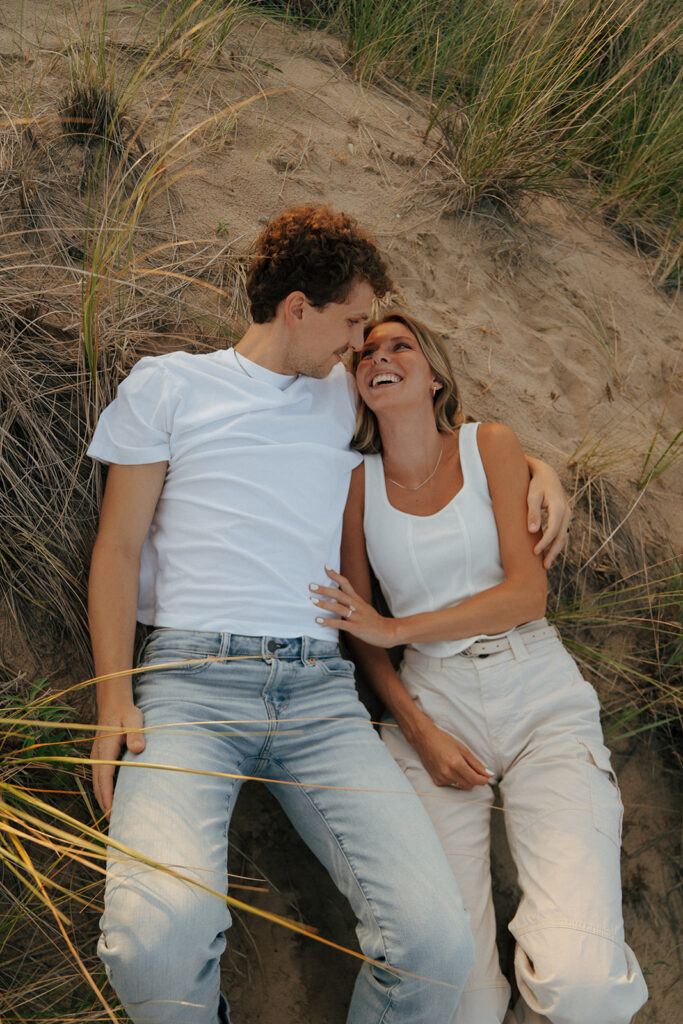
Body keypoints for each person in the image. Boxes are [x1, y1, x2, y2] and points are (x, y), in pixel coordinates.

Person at [87, 207, 568, 1024]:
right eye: (350, 321)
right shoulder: (168, 384)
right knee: (150, 941)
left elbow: (437, 435)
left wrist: (535, 466)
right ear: (297, 308)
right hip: (189, 683)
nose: (360, 343)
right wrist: (112, 700)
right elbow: (117, 550)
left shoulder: (342, 396)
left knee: (436, 947)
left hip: (319, 698)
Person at [310, 312, 648, 1024]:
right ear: (355, 382)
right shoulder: (353, 484)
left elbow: (525, 593)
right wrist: (417, 728)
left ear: (433, 373)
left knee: (582, 984)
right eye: (365, 351)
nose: (380, 356)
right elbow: (362, 637)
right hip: (431, 704)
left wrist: (396, 626)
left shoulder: (490, 443)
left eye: (400, 345)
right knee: (452, 992)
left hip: (539, 695)